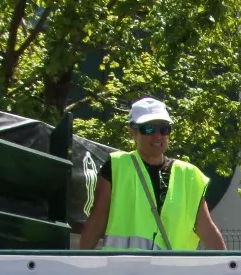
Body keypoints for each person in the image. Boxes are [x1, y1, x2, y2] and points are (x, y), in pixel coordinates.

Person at [78, 97, 226, 251]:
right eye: (148, 129)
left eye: (164, 129)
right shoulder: (116, 166)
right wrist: (80, 266)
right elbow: (97, 219)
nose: (158, 136)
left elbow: (207, 231)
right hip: (124, 271)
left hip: (173, 273)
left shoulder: (189, 175)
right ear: (132, 133)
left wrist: (228, 269)